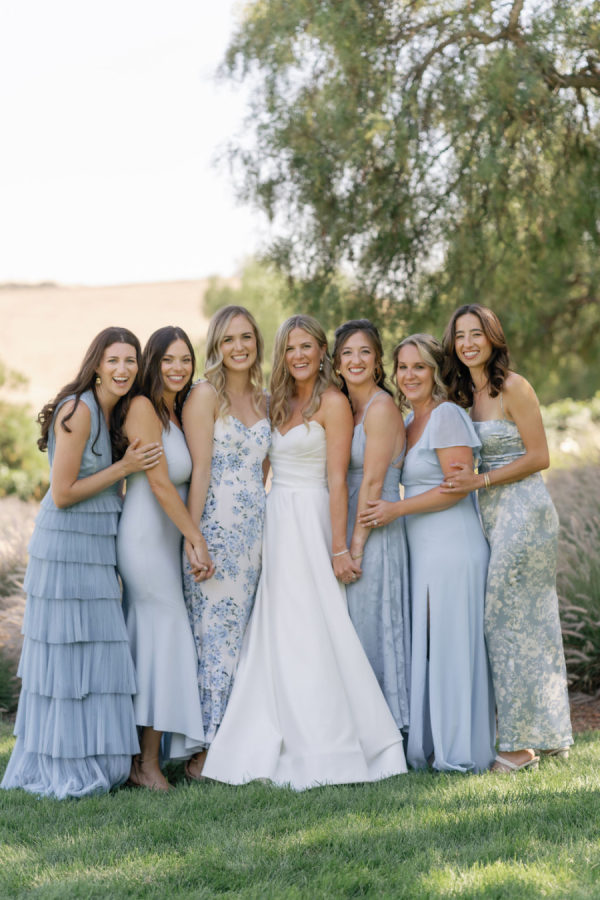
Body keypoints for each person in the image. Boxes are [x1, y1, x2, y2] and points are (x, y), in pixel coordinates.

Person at [201, 314, 407, 790]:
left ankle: (332, 738)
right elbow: (261, 466)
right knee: (280, 624)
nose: (298, 356)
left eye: (307, 347)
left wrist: (338, 547)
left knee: (318, 620)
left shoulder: (333, 402)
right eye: (290, 348)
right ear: (282, 354)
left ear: (321, 352)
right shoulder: (275, 402)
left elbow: (336, 481)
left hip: (313, 516)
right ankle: (269, 728)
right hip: (276, 519)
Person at [1, 327, 162, 799]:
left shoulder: (115, 413)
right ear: (96, 365)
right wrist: (124, 468)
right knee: (68, 655)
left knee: (97, 649)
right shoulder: (78, 410)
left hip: (97, 544)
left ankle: (98, 756)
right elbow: (64, 492)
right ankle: (64, 761)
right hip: (66, 545)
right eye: (114, 360)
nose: (123, 369)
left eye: (130, 361)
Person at [441, 304, 573, 772]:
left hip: (525, 511)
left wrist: (481, 480)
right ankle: (548, 734)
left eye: (476, 334)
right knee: (524, 622)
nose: (468, 343)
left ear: (493, 338)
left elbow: (540, 456)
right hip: (491, 513)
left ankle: (519, 748)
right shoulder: (464, 395)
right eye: (460, 335)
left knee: (505, 620)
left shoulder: (514, 386)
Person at [360, 334, 495, 773]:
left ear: (436, 371)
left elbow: (456, 487)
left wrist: (396, 509)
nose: (409, 375)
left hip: (452, 544)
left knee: (452, 643)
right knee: (434, 644)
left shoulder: (447, 415)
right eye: (402, 367)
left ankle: (459, 748)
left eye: (419, 366)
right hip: (422, 548)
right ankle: (435, 741)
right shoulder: (407, 420)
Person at [117, 326, 208, 791]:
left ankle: (140, 757)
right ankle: (145, 764)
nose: (178, 368)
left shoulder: (178, 410)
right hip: (144, 538)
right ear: (153, 362)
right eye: (169, 359)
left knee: (153, 641)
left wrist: (188, 536)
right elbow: (157, 482)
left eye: (185, 359)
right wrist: (195, 538)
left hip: (166, 538)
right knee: (163, 636)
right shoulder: (142, 407)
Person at [181, 306, 270, 777]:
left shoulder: (265, 400)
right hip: (214, 531)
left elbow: (263, 472)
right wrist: (194, 537)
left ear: (257, 342)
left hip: (255, 536)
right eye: (229, 339)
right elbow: (200, 471)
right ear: (216, 345)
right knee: (213, 636)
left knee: (242, 636)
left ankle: (234, 740)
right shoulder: (204, 395)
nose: (239, 347)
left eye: (246, 337)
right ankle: (204, 748)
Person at [332, 319, 410, 732]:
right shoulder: (349, 407)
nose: (356, 360)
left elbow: (374, 483)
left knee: (373, 625)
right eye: (347, 353)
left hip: (373, 532)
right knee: (354, 627)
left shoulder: (380, 408)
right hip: (351, 526)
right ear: (336, 363)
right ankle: (360, 724)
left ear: (378, 361)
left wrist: (355, 547)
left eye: (364, 352)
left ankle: (386, 725)